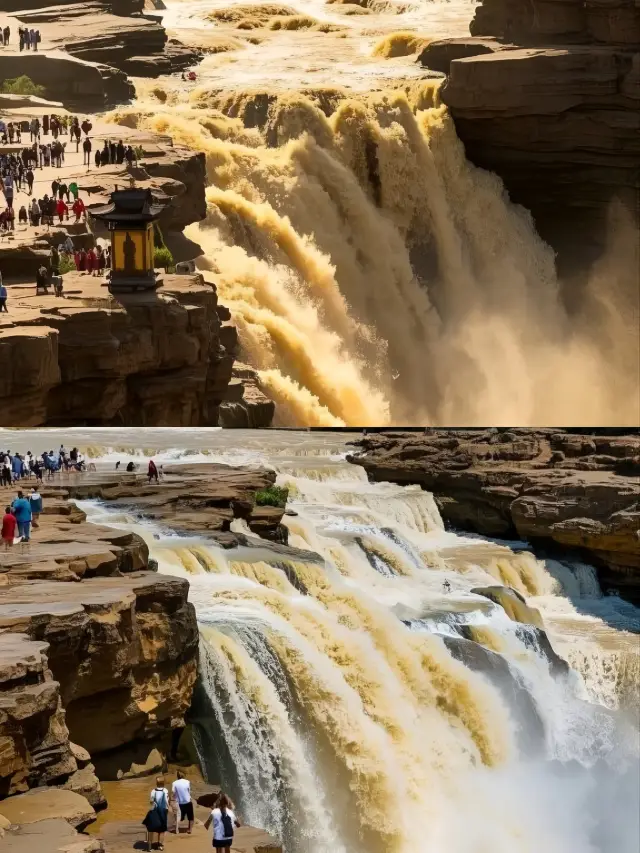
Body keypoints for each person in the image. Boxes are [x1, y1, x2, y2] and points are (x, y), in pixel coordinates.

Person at [143, 776, 169, 852]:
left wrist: (154, 802)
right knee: (162, 830)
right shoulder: (165, 791)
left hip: (154, 811)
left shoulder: (153, 791)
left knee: (151, 828)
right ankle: (160, 845)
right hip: (163, 811)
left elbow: (151, 802)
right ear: (163, 783)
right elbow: (167, 802)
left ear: (156, 783)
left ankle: (149, 846)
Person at [171, 770, 194, 835]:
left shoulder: (174, 783)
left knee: (179, 817)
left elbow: (173, 792)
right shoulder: (187, 782)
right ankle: (190, 829)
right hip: (187, 801)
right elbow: (188, 791)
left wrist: (173, 798)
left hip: (179, 802)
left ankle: (177, 828)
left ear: (177, 776)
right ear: (184, 775)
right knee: (191, 817)